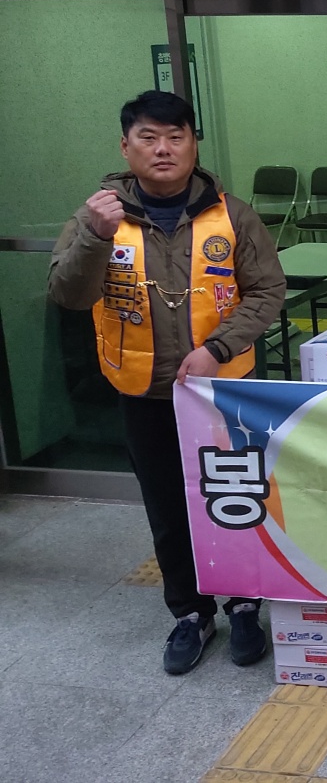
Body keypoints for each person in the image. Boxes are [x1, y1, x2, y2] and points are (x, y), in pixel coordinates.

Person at [48, 90, 286, 675]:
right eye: (148, 137)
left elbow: (267, 291)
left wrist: (217, 349)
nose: (163, 149)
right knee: (168, 507)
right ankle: (190, 613)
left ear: (193, 144)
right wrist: (95, 236)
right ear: (125, 146)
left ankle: (244, 605)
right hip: (144, 393)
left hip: (223, 392)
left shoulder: (232, 214)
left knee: (235, 500)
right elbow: (67, 295)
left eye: (176, 137)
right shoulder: (97, 216)